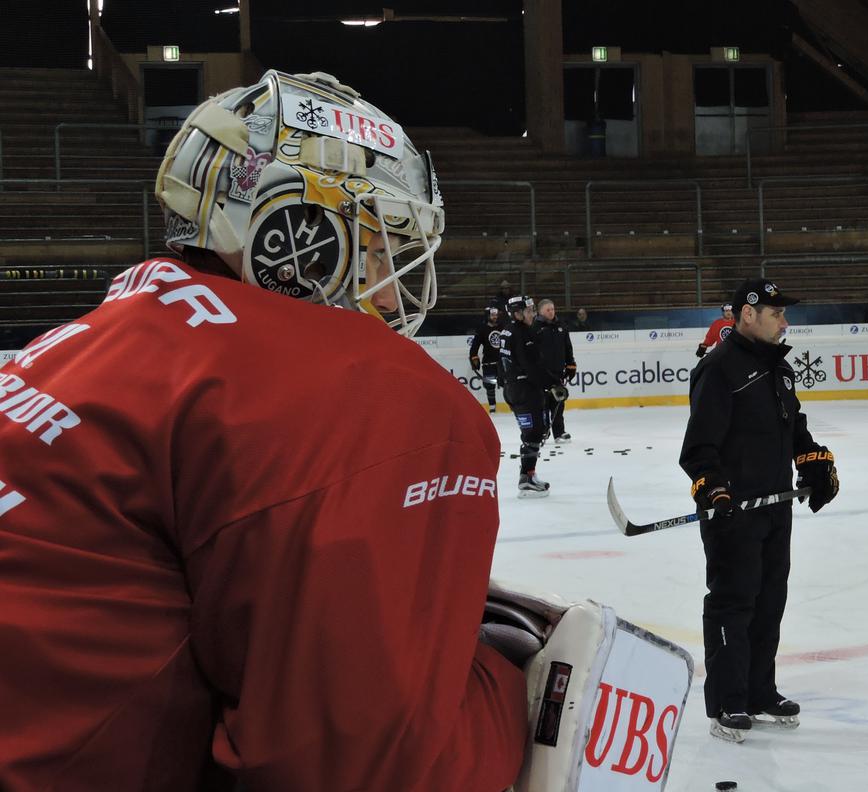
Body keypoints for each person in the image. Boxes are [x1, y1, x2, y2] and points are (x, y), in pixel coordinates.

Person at [0, 70, 526, 791]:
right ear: (300, 232)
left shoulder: (88, 342)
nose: (390, 275)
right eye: (379, 240)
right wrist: (510, 691)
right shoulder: (356, 388)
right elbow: (357, 763)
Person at [679, 278, 839, 744]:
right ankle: (728, 701)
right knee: (734, 602)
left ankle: (759, 691)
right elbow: (698, 448)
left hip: (775, 507)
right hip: (733, 512)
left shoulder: (780, 370)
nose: (785, 322)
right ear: (747, 314)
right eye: (776, 314)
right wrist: (712, 490)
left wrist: (814, 463)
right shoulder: (720, 368)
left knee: (770, 601)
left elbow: (796, 429)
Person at [499, 294, 554, 495]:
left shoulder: (507, 330)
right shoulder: (521, 333)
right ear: (517, 313)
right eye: (528, 311)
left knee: (532, 432)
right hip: (525, 390)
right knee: (534, 433)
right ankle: (527, 477)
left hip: (514, 389)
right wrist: (551, 384)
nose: (531, 313)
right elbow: (531, 365)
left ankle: (527, 475)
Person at [535, 298, 577, 443]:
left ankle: (559, 432)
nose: (551, 312)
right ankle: (542, 432)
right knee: (542, 405)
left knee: (558, 404)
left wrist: (571, 366)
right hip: (541, 374)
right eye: (548, 309)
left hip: (558, 373)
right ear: (540, 311)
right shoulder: (534, 328)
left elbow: (568, 348)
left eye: (553, 309)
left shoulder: (562, 327)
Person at [469, 305, 505, 412]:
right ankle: (492, 408)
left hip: (503, 363)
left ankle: (513, 406)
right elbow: (474, 347)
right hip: (488, 363)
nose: (495, 317)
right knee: (489, 386)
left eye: (496, 315)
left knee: (509, 385)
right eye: (492, 315)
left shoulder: (503, 328)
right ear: (488, 316)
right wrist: (474, 359)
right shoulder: (482, 330)